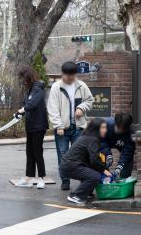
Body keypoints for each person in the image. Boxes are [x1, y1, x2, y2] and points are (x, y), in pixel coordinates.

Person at [47, 61, 94, 190]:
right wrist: (58, 125)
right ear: (63, 74)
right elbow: (52, 108)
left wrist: (81, 108)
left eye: (72, 75)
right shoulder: (56, 87)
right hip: (62, 128)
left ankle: (83, 180)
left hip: (78, 127)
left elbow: (90, 100)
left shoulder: (81, 86)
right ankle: (65, 180)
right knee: (62, 154)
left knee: (80, 155)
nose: (70, 78)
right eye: (68, 76)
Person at [60, 118, 112, 204]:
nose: (105, 130)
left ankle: (86, 192)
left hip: (69, 165)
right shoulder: (93, 140)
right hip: (71, 166)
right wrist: (104, 170)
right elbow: (94, 160)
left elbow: (93, 160)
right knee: (95, 176)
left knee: (94, 172)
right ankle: (76, 195)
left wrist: (103, 168)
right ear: (96, 129)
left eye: (105, 128)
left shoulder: (87, 137)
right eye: (102, 128)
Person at [14, 66, 48, 189]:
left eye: (23, 78)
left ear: (28, 77)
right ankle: (29, 177)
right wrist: (20, 112)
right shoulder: (31, 89)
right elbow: (26, 103)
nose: (22, 81)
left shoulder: (38, 88)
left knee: (37, 152)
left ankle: (42, 179)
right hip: (31, 125)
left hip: (38, 126)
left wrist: (22, 110)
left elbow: (32, 104)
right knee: (30, 152)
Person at [100, 113, 135, 179]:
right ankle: (104, 179)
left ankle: (124, 180)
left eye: (123, 130)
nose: (120, 131)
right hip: (107, 142)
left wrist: (120, 166)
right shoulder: (106, 125)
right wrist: (108, 155)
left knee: (128, 161)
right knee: (101, 157)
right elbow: (102, 142)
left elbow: (127, 152)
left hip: (122, 146)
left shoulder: (130, 134)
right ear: (115, 124)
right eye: (119, 128)